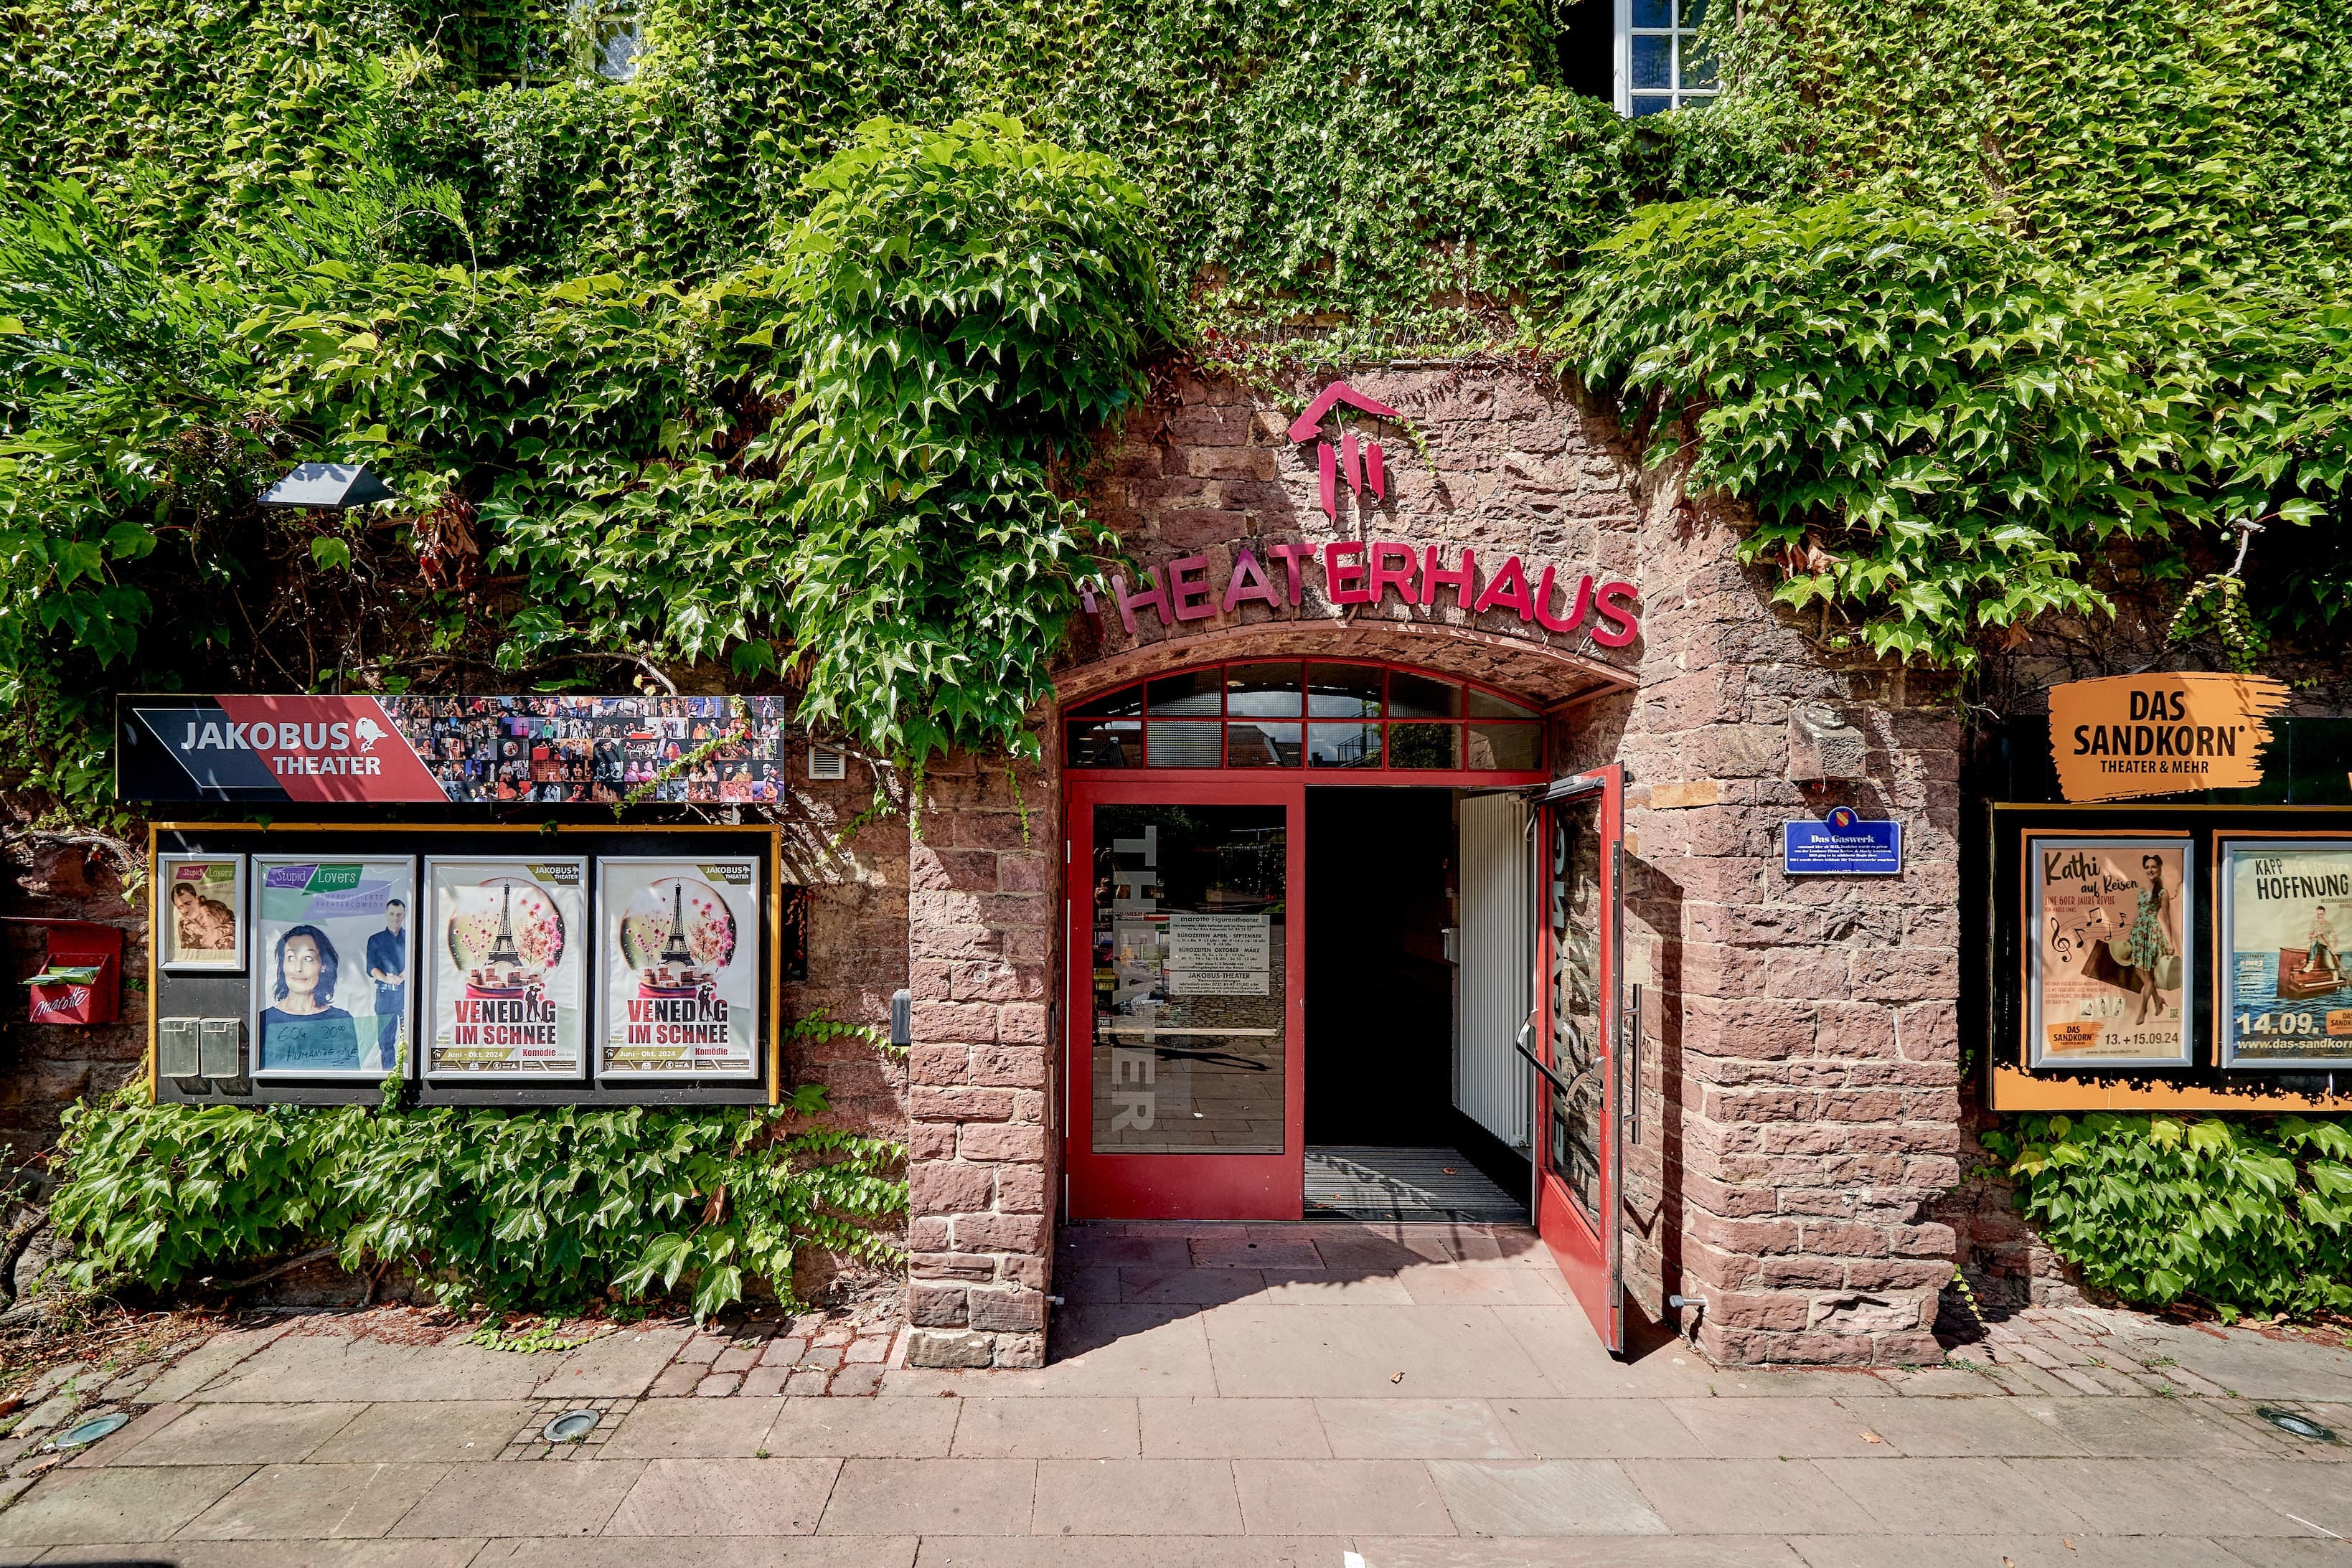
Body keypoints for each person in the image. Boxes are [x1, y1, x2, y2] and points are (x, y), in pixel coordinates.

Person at [259, 924, 360, 1072]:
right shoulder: (264, 1020)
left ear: (323, 965)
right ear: (282, 965)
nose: (298, 968)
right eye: (291, 958)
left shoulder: (341, 1020)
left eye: (308, 958)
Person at [2125, 854, 2179, 1025]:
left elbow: (2167, 918)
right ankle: (2157, 999)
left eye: (2154, 867)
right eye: (2147, 867)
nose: (2150, 870)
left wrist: (2170, 942)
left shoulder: (2163, 893)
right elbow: (2137, 914)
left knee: (2149, 978)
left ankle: (2143, 1010)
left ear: (2159, 869)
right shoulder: (2141, 891)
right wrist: (2130, 935)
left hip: (2151, 936)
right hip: (2138, 935)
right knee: (2138, 971)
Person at [366, 898, 408, 1067]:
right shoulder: (375, 940)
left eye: (399, 915)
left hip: (406, 993)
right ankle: (389, 1075)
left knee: (410, 1038)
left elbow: (416, 960)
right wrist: (387, 978)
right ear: (386, 914)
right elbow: (370, 967)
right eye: (392, 914)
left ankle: (408, 1074)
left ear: (404, 915)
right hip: (385, 994)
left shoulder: (410, 938)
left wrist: (403, 976)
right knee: (386, 1041)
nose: (395, 918)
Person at [170, 881, 237, 960]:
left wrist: (222, 931)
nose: (186, 910)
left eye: (188, 903)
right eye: (180, 907)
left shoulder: (209, 909)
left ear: (197, 899)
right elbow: (207, 940)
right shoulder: (185, 922)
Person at [2306, 905, 2341, 978]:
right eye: (2318, 914)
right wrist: (2316, 934)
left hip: (2325, 945)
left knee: (2329, 963)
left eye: (2321, 914)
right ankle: (2311, 964)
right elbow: (2309, 937)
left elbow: (2336, 939)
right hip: (2316, 945)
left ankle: (2334, 972)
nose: (2319, 916)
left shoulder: (2328, 925)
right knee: (2313, 942)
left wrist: (2333, 949)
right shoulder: (2314, 923)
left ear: (2324, 914)